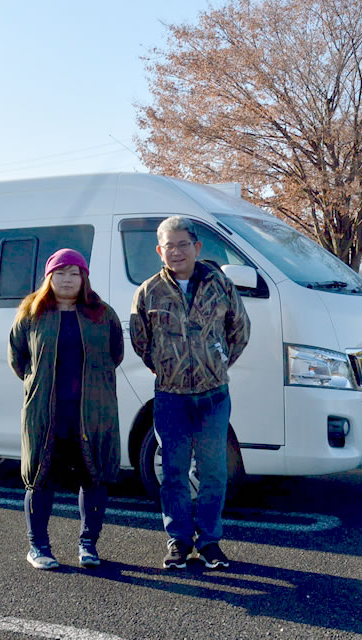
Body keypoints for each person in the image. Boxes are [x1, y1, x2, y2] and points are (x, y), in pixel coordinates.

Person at [129, 216, 251, 569]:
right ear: (159, 251)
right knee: (174, 472)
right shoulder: (149, 291)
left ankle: (210, 542)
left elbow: (239, 330)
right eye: (169, 246)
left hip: (214, 396)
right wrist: (165, 366)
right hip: (171, 397)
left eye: (184, 244)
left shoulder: (220, 285)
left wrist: (217, 362)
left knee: (214, 472)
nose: (177, 252)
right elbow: (140, 339)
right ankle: (179, 541)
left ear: (197, 248)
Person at [8, 248, 124, 570]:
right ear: (49, 277)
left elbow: (116, 353)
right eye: (61, 272)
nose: (68, 279)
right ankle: (38, 546)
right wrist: (38, 386)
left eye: (75, 273)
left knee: (94, 476)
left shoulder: (102, 314)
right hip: (46, 413)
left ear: (84, 277)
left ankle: (88, 545)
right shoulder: (31, 314)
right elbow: (18, 358)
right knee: (40, 478)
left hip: (92, 412)